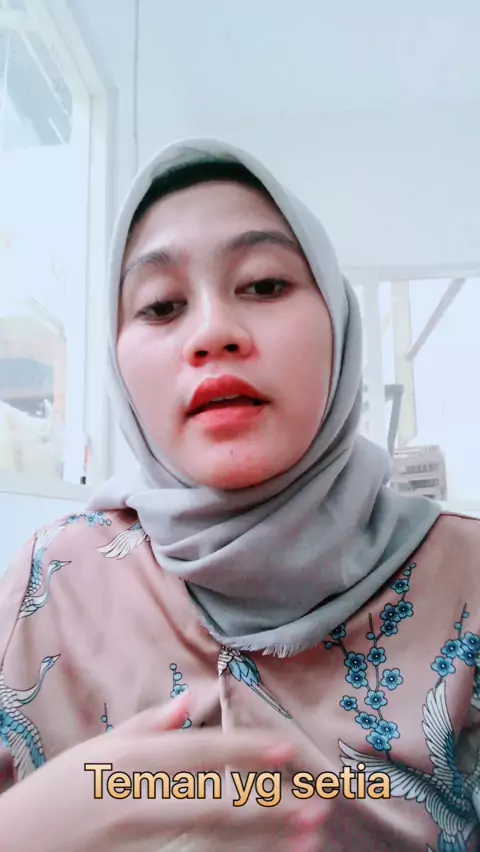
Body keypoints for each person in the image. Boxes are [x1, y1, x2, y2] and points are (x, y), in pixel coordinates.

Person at [0, 138, 479, 852]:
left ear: (338, 323)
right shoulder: (53, 580)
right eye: (162, 305)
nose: (214, 333)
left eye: (263, 285)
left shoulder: (467, 577)